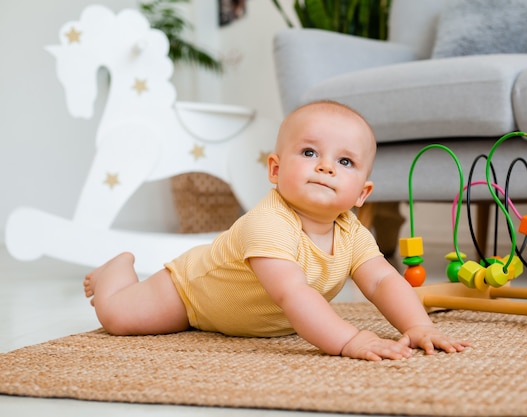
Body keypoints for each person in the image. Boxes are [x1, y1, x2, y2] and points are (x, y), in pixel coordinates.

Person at [84, 100, 470, 361]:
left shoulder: (351, 233)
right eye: (309, 153)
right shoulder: (269, 223)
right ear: (275, 170)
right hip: (192, 292)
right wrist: (349, 340)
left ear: (362, 194)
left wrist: (418, 325)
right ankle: (116, 270)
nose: (325, 167)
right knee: (118, 317)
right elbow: (293, 293)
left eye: (345, 161)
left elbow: (383, 281)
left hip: (235, 312)